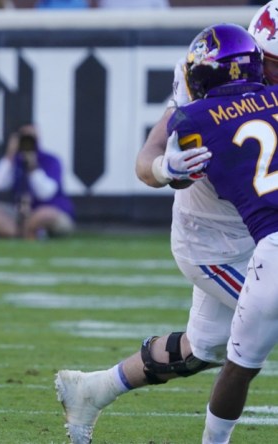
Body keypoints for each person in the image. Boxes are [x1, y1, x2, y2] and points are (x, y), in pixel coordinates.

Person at [53, 2, 278, 440]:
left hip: (260, 231)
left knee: (203, 350)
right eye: (274, 62)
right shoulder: (211, 76)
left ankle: (93, 389)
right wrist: (164, 169)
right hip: (215, 240)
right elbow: (147, 159)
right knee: (262, 325)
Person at [165, 24, 278, 444]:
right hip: (230, 244)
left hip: (271, 249)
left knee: (239, 366)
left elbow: (175, 174)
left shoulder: (194, 117)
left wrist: (166, 170)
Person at [0, 125, 74, 239]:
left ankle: (33, 232)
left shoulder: (50, 160)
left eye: (30, 137)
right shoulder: (15, 161)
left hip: (51, 210)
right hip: (21, 213)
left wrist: (32, 166)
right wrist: (9, 155)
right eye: (23, 137)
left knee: (42, 215)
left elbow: (46, 193)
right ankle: (20, 235)